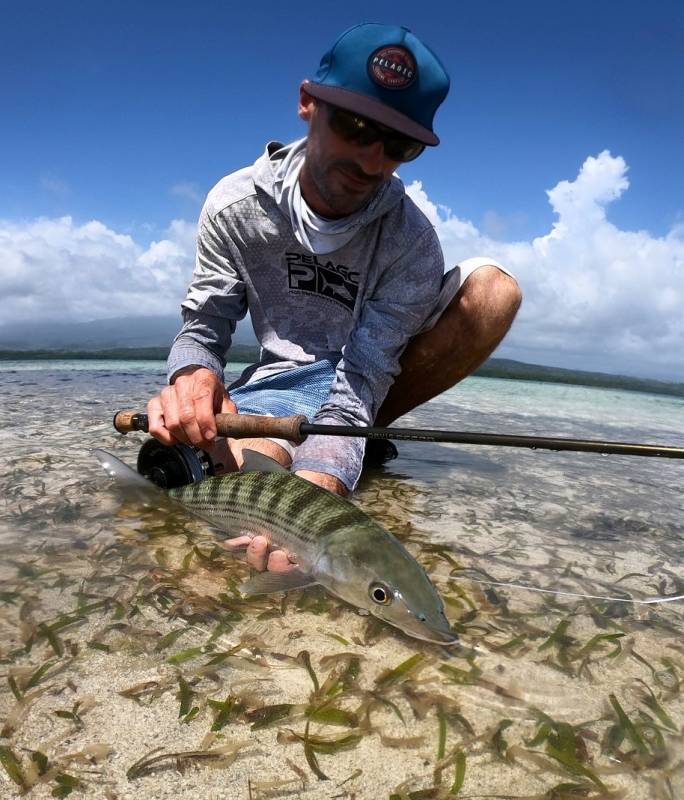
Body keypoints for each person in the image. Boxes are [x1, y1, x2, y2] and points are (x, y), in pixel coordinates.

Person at [147, 23, 521, 572]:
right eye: (354, 126)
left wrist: (325, 478)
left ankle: (352, 446)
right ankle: (325, 451)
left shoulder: (412, 244)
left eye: (399, 145)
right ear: (308, 103)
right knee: (250, 469)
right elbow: (205, 326)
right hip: (276, 388)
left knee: (495, 292)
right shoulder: (233, 206)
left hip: (373, 385)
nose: (371, 160)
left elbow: (362, 380)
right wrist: (194, 377)